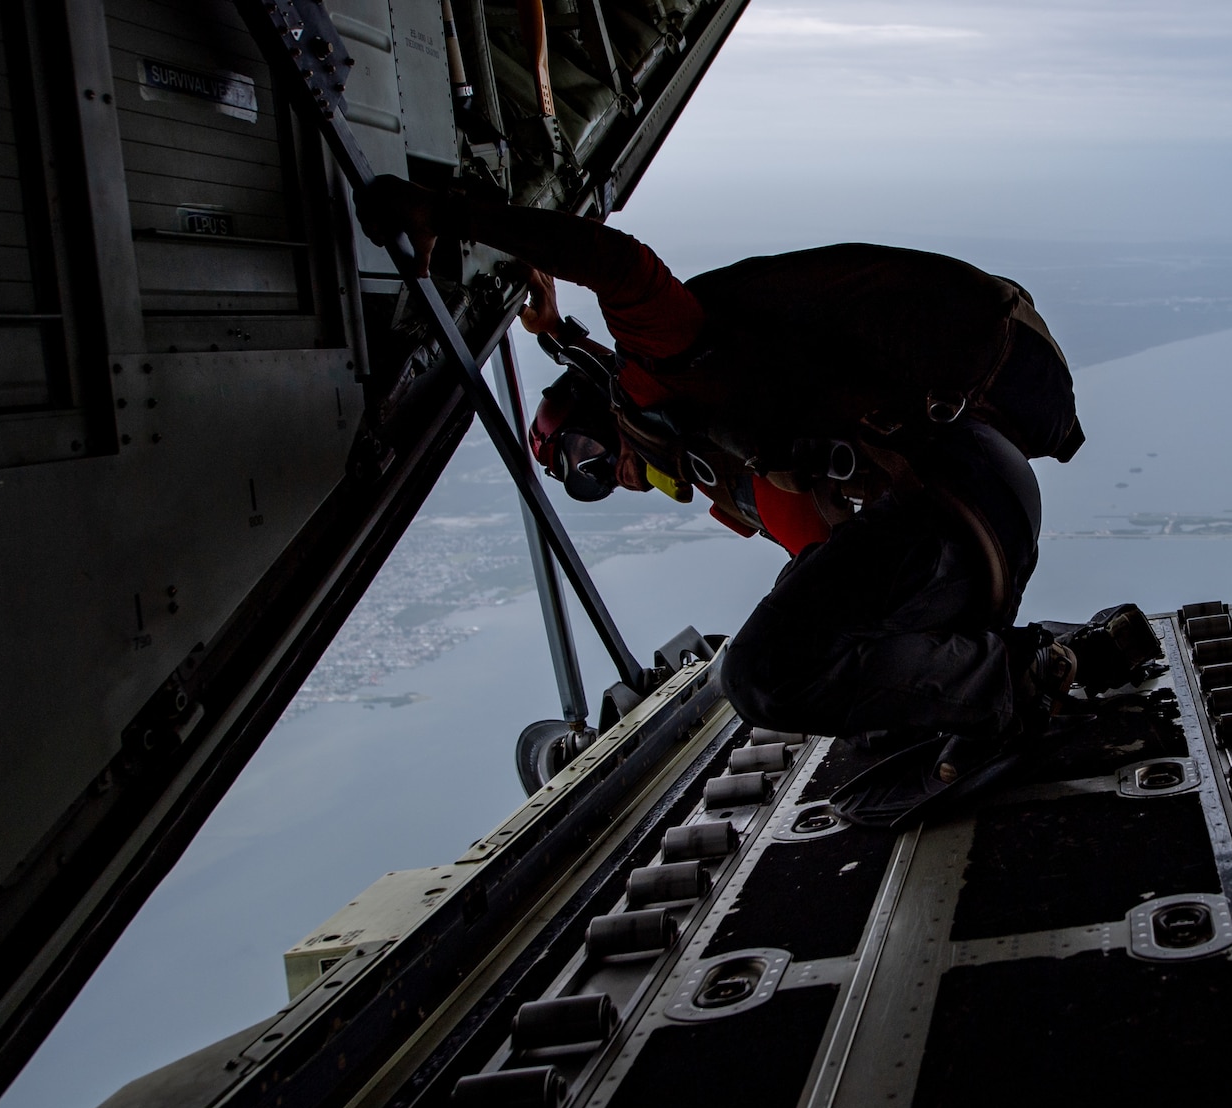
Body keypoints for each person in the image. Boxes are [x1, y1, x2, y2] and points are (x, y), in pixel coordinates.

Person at [356, 178, 1159, 824]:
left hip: (951, 494)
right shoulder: (739, 465)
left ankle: (1030, 672)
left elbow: (623, 269)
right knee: (840, 705)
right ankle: (1064, 661)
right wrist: (555, 333)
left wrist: (459, 216)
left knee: (764, 672)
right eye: (587, 481)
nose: (612, 475)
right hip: (975, 520)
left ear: (610, 406)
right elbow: (828, 566)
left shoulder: (662, 367)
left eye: (590, 456)